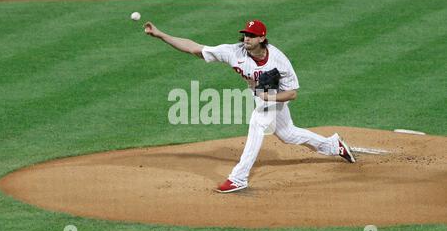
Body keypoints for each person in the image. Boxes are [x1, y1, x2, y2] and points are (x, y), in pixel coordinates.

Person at [144, 19, 356, 193]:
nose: (246, 38)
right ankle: (332, 145)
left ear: (262, 38)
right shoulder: (233, 52)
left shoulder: (279, 60)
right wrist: (161, 35)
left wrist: (268, 97)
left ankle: (239, 178)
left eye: (252, 35)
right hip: (262, 96)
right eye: (245, 34)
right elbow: (195, 49)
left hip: (275, 96)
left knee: (257, 123)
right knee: (288, 134)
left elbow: (292, 93)